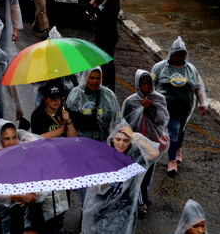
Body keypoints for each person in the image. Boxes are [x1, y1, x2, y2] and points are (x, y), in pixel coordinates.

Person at [80, 122, 166, 234]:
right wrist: (103, 183)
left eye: (125, 141)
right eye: (118, 139)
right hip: (101, 206)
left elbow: (154, 153)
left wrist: (135, 136)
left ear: (130, 142)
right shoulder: (102, 157)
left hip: (123, 207)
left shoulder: (134, 158)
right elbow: (93, 188)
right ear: (112, 139)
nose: (121, 144)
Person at [151, 36, 208, 176]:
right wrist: (148, 101)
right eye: (177, 55)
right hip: (167, 107)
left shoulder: (191, 69)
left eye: (182, 55)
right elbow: (150, 85)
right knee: (173, 131)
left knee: (181, 129)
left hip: (185, 107)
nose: (180, 58)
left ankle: (177, 149)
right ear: (171, 54)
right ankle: (172, 161)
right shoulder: (159, 67)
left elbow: (199, 86)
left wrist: (203, 103)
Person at [121, 70, 170, 218]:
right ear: (137, 84)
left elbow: (162, 121)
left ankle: (143, 195)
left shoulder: (159, 100)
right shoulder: (130, 101)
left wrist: (151, 108)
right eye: (143, 83)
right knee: (137, 172)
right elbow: (125, 121)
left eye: (149, 83)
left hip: (152, 142)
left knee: (148, 172)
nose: (146, 87)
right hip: (135, 143)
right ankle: (141, 202)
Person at [65, 67, 121, 144]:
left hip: (103, 143)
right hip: (80, 144)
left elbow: (116, 120)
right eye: (92, 78)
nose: (95, 81)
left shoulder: (108, 95)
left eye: (98, 78)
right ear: (85, 77)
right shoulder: (76, 94)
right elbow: (69, 120)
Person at [88, 0, 121, 91]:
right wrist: (94, 19)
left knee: (107, 61)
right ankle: (107, 82)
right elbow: (102, 19)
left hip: (108, 37)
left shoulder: (111, 4)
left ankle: (109, 84)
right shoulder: (106, 2)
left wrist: (95, 7)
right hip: (102, 35)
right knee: (104, 60)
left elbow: (105, 19)